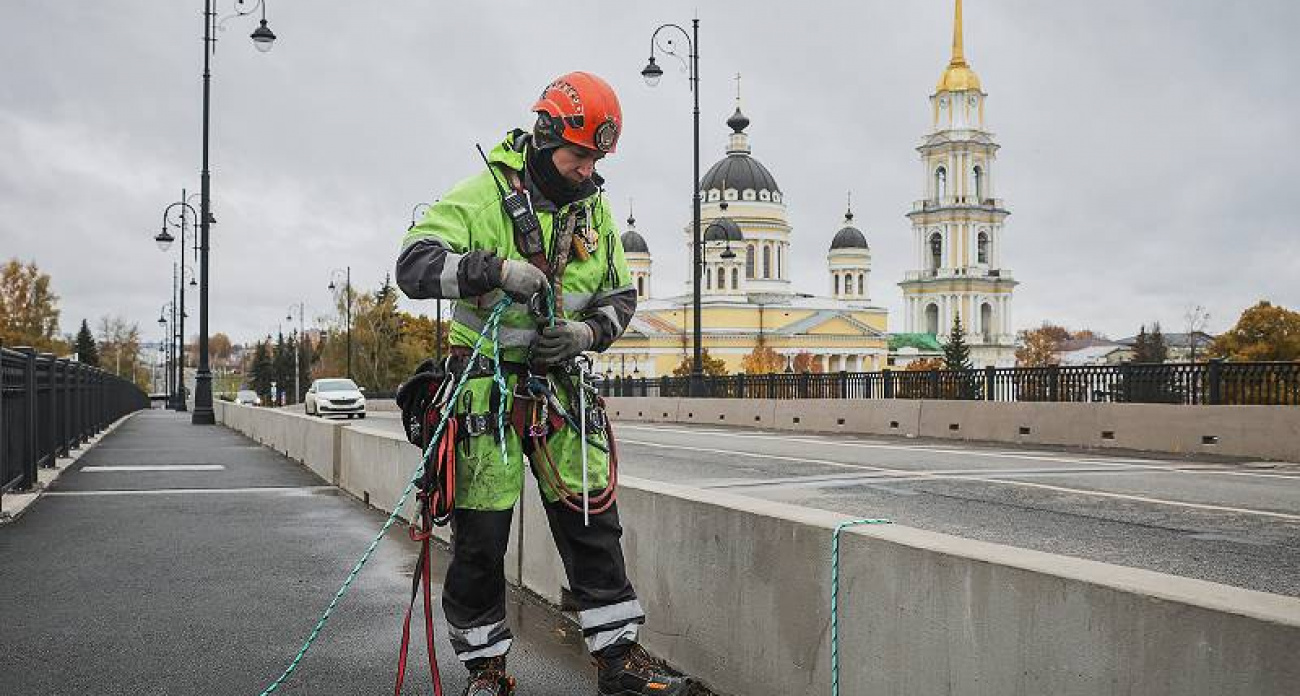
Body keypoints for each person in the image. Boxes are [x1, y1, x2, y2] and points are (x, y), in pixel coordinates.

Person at [395, 71, 688, 696]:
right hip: (486, 395)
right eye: (579, 155)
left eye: (596, 158)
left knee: (593, 524)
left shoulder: (594, 211)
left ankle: (618, 660)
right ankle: (486, 670)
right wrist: (495, 270)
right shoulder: (481, 197)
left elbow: (618, 296)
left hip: (559, 393)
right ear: (545, 135)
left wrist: (585, 336)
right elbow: (414, 265)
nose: (588, 169)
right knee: (480, 540)